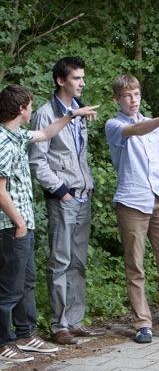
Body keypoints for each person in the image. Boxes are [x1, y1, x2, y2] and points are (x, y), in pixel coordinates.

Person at [0, 85, 98, 362]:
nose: (33, 109)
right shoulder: (3, 142)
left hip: (23, 224)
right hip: (11, 226)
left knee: (26, 282)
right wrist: (19, 223)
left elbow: (45, 133)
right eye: (30, 105)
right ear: (21, 109)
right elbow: (0, 190)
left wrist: (72, 115)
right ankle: (4, 342)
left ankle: (26, 334)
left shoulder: (17, 135)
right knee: (10, 288)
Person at [105, 75, 159, 344]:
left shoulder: (154, 126)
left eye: (136, 94)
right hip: (132, 202)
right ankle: (142, 323)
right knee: (136, 266)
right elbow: (136, 130)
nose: (133, 100)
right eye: (127, 95)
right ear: (117, 99)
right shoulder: (114, 125)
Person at [28, 56, 106, 345]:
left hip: (84, 197)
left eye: (83, 77)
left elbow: (78, 156)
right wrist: (61, 190)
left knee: (78, 262)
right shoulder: (45, 114)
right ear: (61, 80)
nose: (82, 83)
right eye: (76, 78)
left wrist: (88, 185)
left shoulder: (81, 112)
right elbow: (38, 161)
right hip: (63, 198)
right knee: (60, 261)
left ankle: (75, 321)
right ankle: (59, 325)